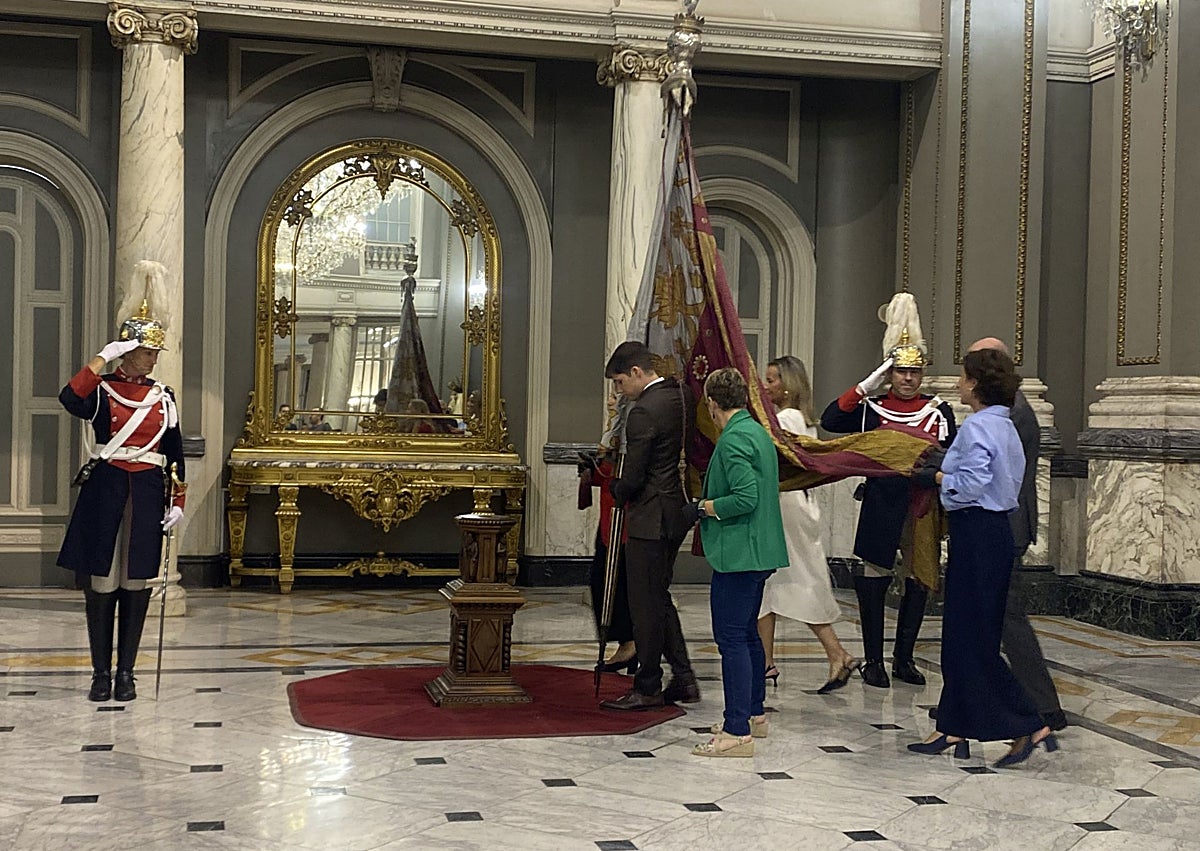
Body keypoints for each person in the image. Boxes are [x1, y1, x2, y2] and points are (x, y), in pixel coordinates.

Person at [907, 348, 1058, 767]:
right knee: (962, 635)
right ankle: (954, 724)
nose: (957, 383)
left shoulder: (977, 428)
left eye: (961, 377)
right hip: (992, 533)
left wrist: (936, 477)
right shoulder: (1004, 424)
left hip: (976, 530)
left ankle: (1029, 720)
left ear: (974, 383)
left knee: (972, 639)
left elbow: (970, 485)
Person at [820, 293, 956, 689]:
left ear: (922, 374)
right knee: (873, 580)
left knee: (919, 583)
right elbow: (831, 419)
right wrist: (865, 385)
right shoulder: (872, 408)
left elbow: (948, 456)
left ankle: (905, 659)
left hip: (922, 509)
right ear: (890, 373)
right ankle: (874, 660)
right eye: (900, 372)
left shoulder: (939, 411)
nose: (908, 379)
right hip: (881, 506)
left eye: (914, 373)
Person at [57, 301, 186, 702]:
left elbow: (174, 452)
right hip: (107, 489)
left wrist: (177, 499)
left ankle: (126, 673)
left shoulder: (164, 397)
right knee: (102, 580)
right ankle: (100, 674)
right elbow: (69, 397)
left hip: (147, 491)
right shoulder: (103, 391)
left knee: (135, 581)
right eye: (147, 352)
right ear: (127, 351)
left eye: (153, 354)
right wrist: (100, 359)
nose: (152, 360)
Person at [690, 368, 788, 757]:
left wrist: (704, 507)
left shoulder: (732, 440)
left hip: (739, 553)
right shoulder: (757, 432)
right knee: (748, 634)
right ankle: (754, 715)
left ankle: (735, 731)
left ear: (712, 404)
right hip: (760, 549)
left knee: (731, 639)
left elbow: (745, 498)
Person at [599, 341, 698, 710]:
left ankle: (648, 685)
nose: (618, 390)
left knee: (644, 604)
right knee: (659, 598)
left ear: (638, 373)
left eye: (621, 381)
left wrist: (615, 486)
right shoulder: (681, 395)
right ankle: (684, 677)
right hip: (675, 511)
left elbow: (635, 476)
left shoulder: (643, 411)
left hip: (649, 517)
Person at [761, 356, 859, 693]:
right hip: (795, 506)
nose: (766, 385)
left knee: (793, 581)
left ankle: (837, 654)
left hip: (785, 507)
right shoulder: (802, 420)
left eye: (772, 379)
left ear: (788, 384)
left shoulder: (785, 419)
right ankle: (766, 662)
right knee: (770, 588)